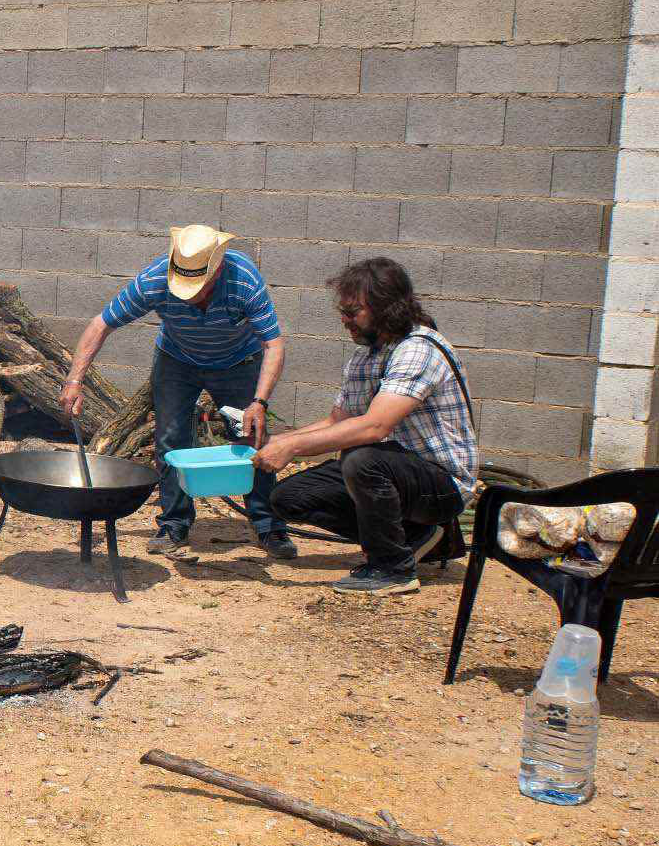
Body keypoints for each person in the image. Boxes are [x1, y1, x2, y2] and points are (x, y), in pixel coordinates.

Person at [62, 224, 297, 560]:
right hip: (177, 361)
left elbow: (274, 344)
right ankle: (174, 523)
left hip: (238, 362)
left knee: (251, 436)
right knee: (171, 440)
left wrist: (259, 402)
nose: (189, 294)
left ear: (216, 271)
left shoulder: (243, 279)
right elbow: (102, 323)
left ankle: (268, 526)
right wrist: (74, 381)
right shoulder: (155, 280)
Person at [260, 258, 479, 596]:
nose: (344, 320)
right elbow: (338, 422)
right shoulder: (366, 357)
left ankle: (393, 567)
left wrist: (292, 449)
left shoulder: (419, 349)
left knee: (361, 458)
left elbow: (375, 426)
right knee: (288, 498)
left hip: (441, 483)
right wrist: (273, 441)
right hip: (395, 472)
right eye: (343, 312)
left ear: (386, 307)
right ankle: (413, 537)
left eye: (353, 312)